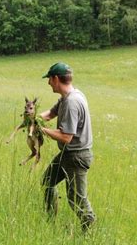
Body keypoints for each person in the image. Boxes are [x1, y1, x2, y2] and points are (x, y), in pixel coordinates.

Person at [39, 62, 96, 232]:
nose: (48, 83)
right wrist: (33, 118)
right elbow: (50, 114)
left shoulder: (72, 102)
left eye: (49, 79)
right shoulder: (67, 97)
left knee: (76, 199)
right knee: (47, 181)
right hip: (67, 154)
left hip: (76, 157)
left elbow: (66, 137)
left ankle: (89, 229)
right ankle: (49, 220)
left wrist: (42, 130)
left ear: (56, 79)